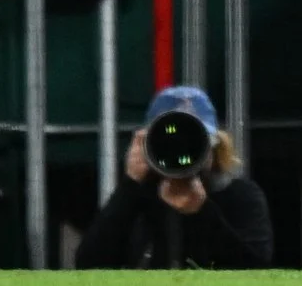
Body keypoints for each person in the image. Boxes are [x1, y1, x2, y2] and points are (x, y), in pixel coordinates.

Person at [75, 85, 273, 269]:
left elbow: (256, 270)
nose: (181, 152)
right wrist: (130, 185)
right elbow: (89, 265)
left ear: (214, 147)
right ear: (147, 145)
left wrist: (202, 212)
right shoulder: (138, 200)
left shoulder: (238, 195)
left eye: (195, 142)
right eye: (169, 143)